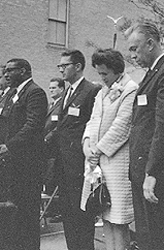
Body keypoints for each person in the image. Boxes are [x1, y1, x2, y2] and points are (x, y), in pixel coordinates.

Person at [125, 21, 164, 250]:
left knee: (159, 237)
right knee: (147, 236)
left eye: (134, 48)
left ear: (151, 44)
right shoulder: (153, 73)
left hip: (157, 173)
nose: (132, 55)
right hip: (144, 169)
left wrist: (152, 172)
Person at [80, 48, 137, 250]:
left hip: (116, 162)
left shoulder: (130, 89)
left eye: (105, 73)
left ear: (116, 70)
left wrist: (97, 151)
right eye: (99, 73)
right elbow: (93, 119)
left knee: (118, 219)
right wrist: (87, 144)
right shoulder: (103, 91)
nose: (102, 78)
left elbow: (123, 125)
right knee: (104, 214)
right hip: (98, 162)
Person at [0, 58, 48, 250]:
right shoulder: (14, 94)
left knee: (27, 216)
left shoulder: (35, 92)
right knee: (15, 215)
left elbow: (33, 125)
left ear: (23, 71)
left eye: (10, 71)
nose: (6, 74)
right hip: (14, 163)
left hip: (28, 165)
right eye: (5, 71)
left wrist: (10, 146)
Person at [55, 49, 101, 250]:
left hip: (79, 165)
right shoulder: (67, 91)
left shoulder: (91, 90)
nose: (61, 69)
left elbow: (92, 125)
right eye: (60, 66)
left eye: (65, 66)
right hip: (63, 164)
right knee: (68, 214)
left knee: (82, 216)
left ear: (78, 66)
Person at [43, 77, 65, 222]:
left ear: (61, 89)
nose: (51, 90)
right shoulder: (51, 105)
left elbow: (59, 127)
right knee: (49, 178)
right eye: (50, 88)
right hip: (47, 148)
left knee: (55, 177)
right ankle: (51, 210)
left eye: (54, 88)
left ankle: (58, 211)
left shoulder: (62, 105)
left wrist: (47, 137)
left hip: (56, 147)